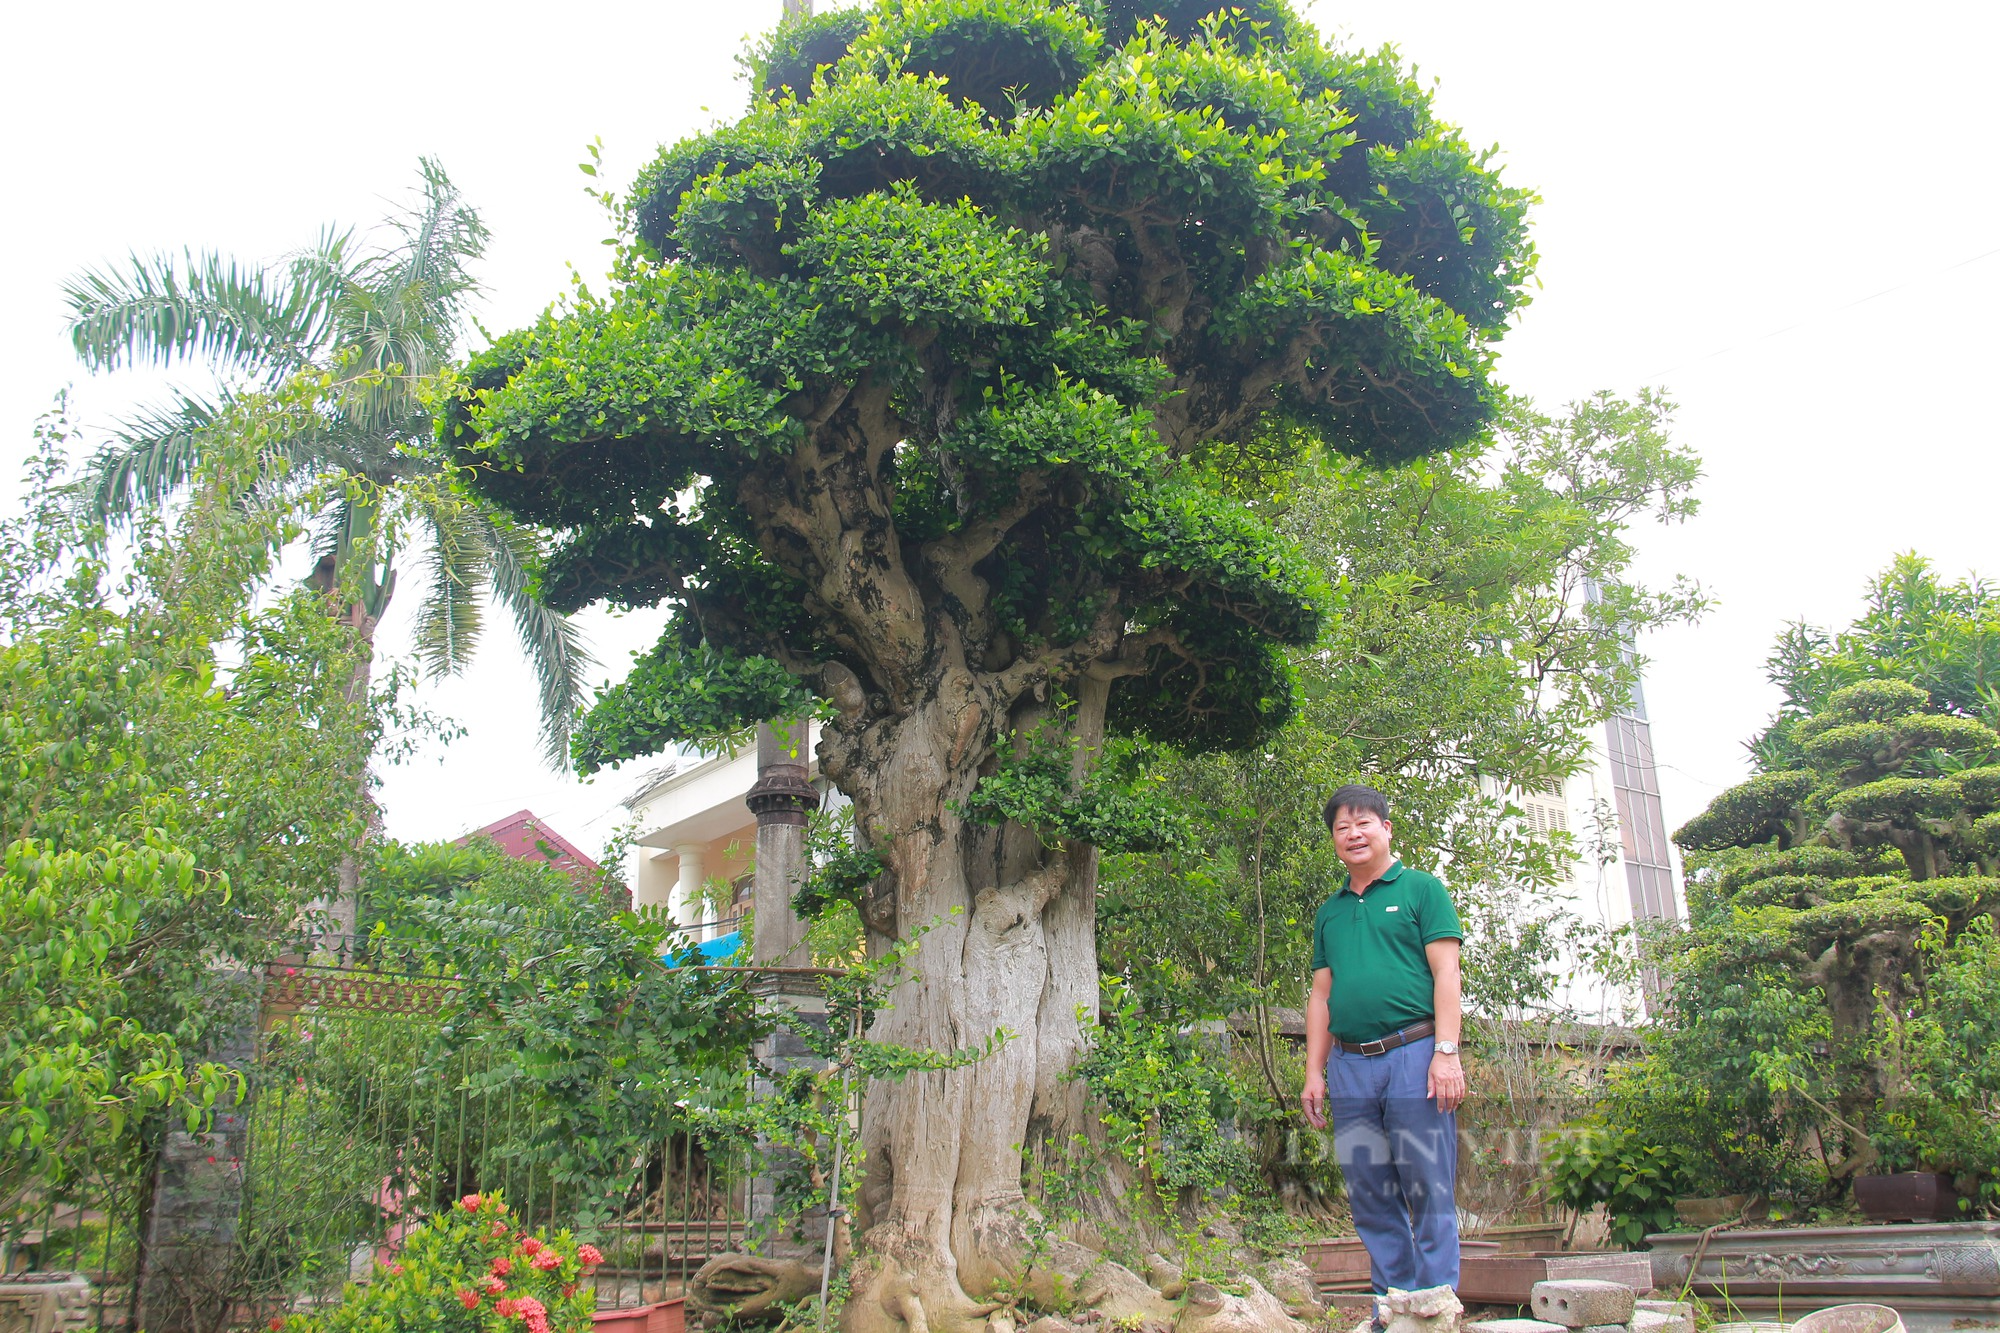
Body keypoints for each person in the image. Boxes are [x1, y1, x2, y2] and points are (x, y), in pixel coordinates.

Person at [1300, 783, 1466, 1301]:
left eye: (1362, 823)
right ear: (1334, 840)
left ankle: (1435, 1301)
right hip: (1350, 1065)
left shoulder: (1421, 889)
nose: (1353, 834)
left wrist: (1446, 1052)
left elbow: (1447, 973)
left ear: (1386, 829)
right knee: (1369, 1190)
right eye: (1341, 828)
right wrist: (1313, 1072)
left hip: (1414, 1055)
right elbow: (1321, 996)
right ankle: (1393, 1302)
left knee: (1428, 1183)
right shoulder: (1329, 912)